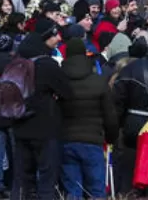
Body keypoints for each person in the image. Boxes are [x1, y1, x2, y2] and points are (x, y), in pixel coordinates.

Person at [12, 20, 73, 200]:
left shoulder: (16, 62)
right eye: (54, 35)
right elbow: (67, 92)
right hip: (45, 128)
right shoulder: (47, 64)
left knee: (23, 178)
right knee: (47, 178)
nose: (58, 38)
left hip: (19, 125)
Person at [59, 37, 119, 199]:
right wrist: (111, 137)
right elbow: (110, 116)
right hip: (93, 140)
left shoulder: (59, 82)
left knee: (73, 189)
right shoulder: (98, 82)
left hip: (66, 139)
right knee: (96, 189)